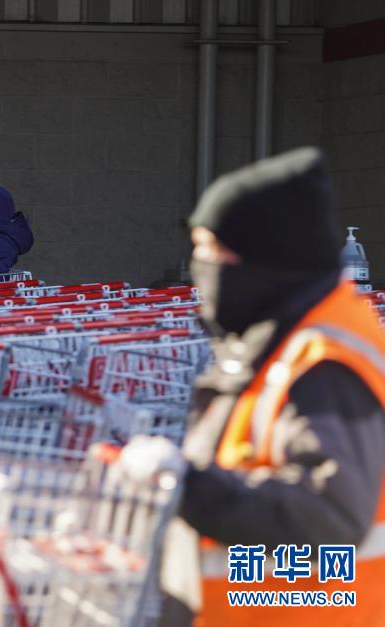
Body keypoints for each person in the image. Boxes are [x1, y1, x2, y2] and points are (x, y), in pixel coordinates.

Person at [148, 147, 385, 626]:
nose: (200, 264)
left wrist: (185, 485)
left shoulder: (323, 363)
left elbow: (330, 513)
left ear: (266, 255)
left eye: (213, 249)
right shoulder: (280, 341)